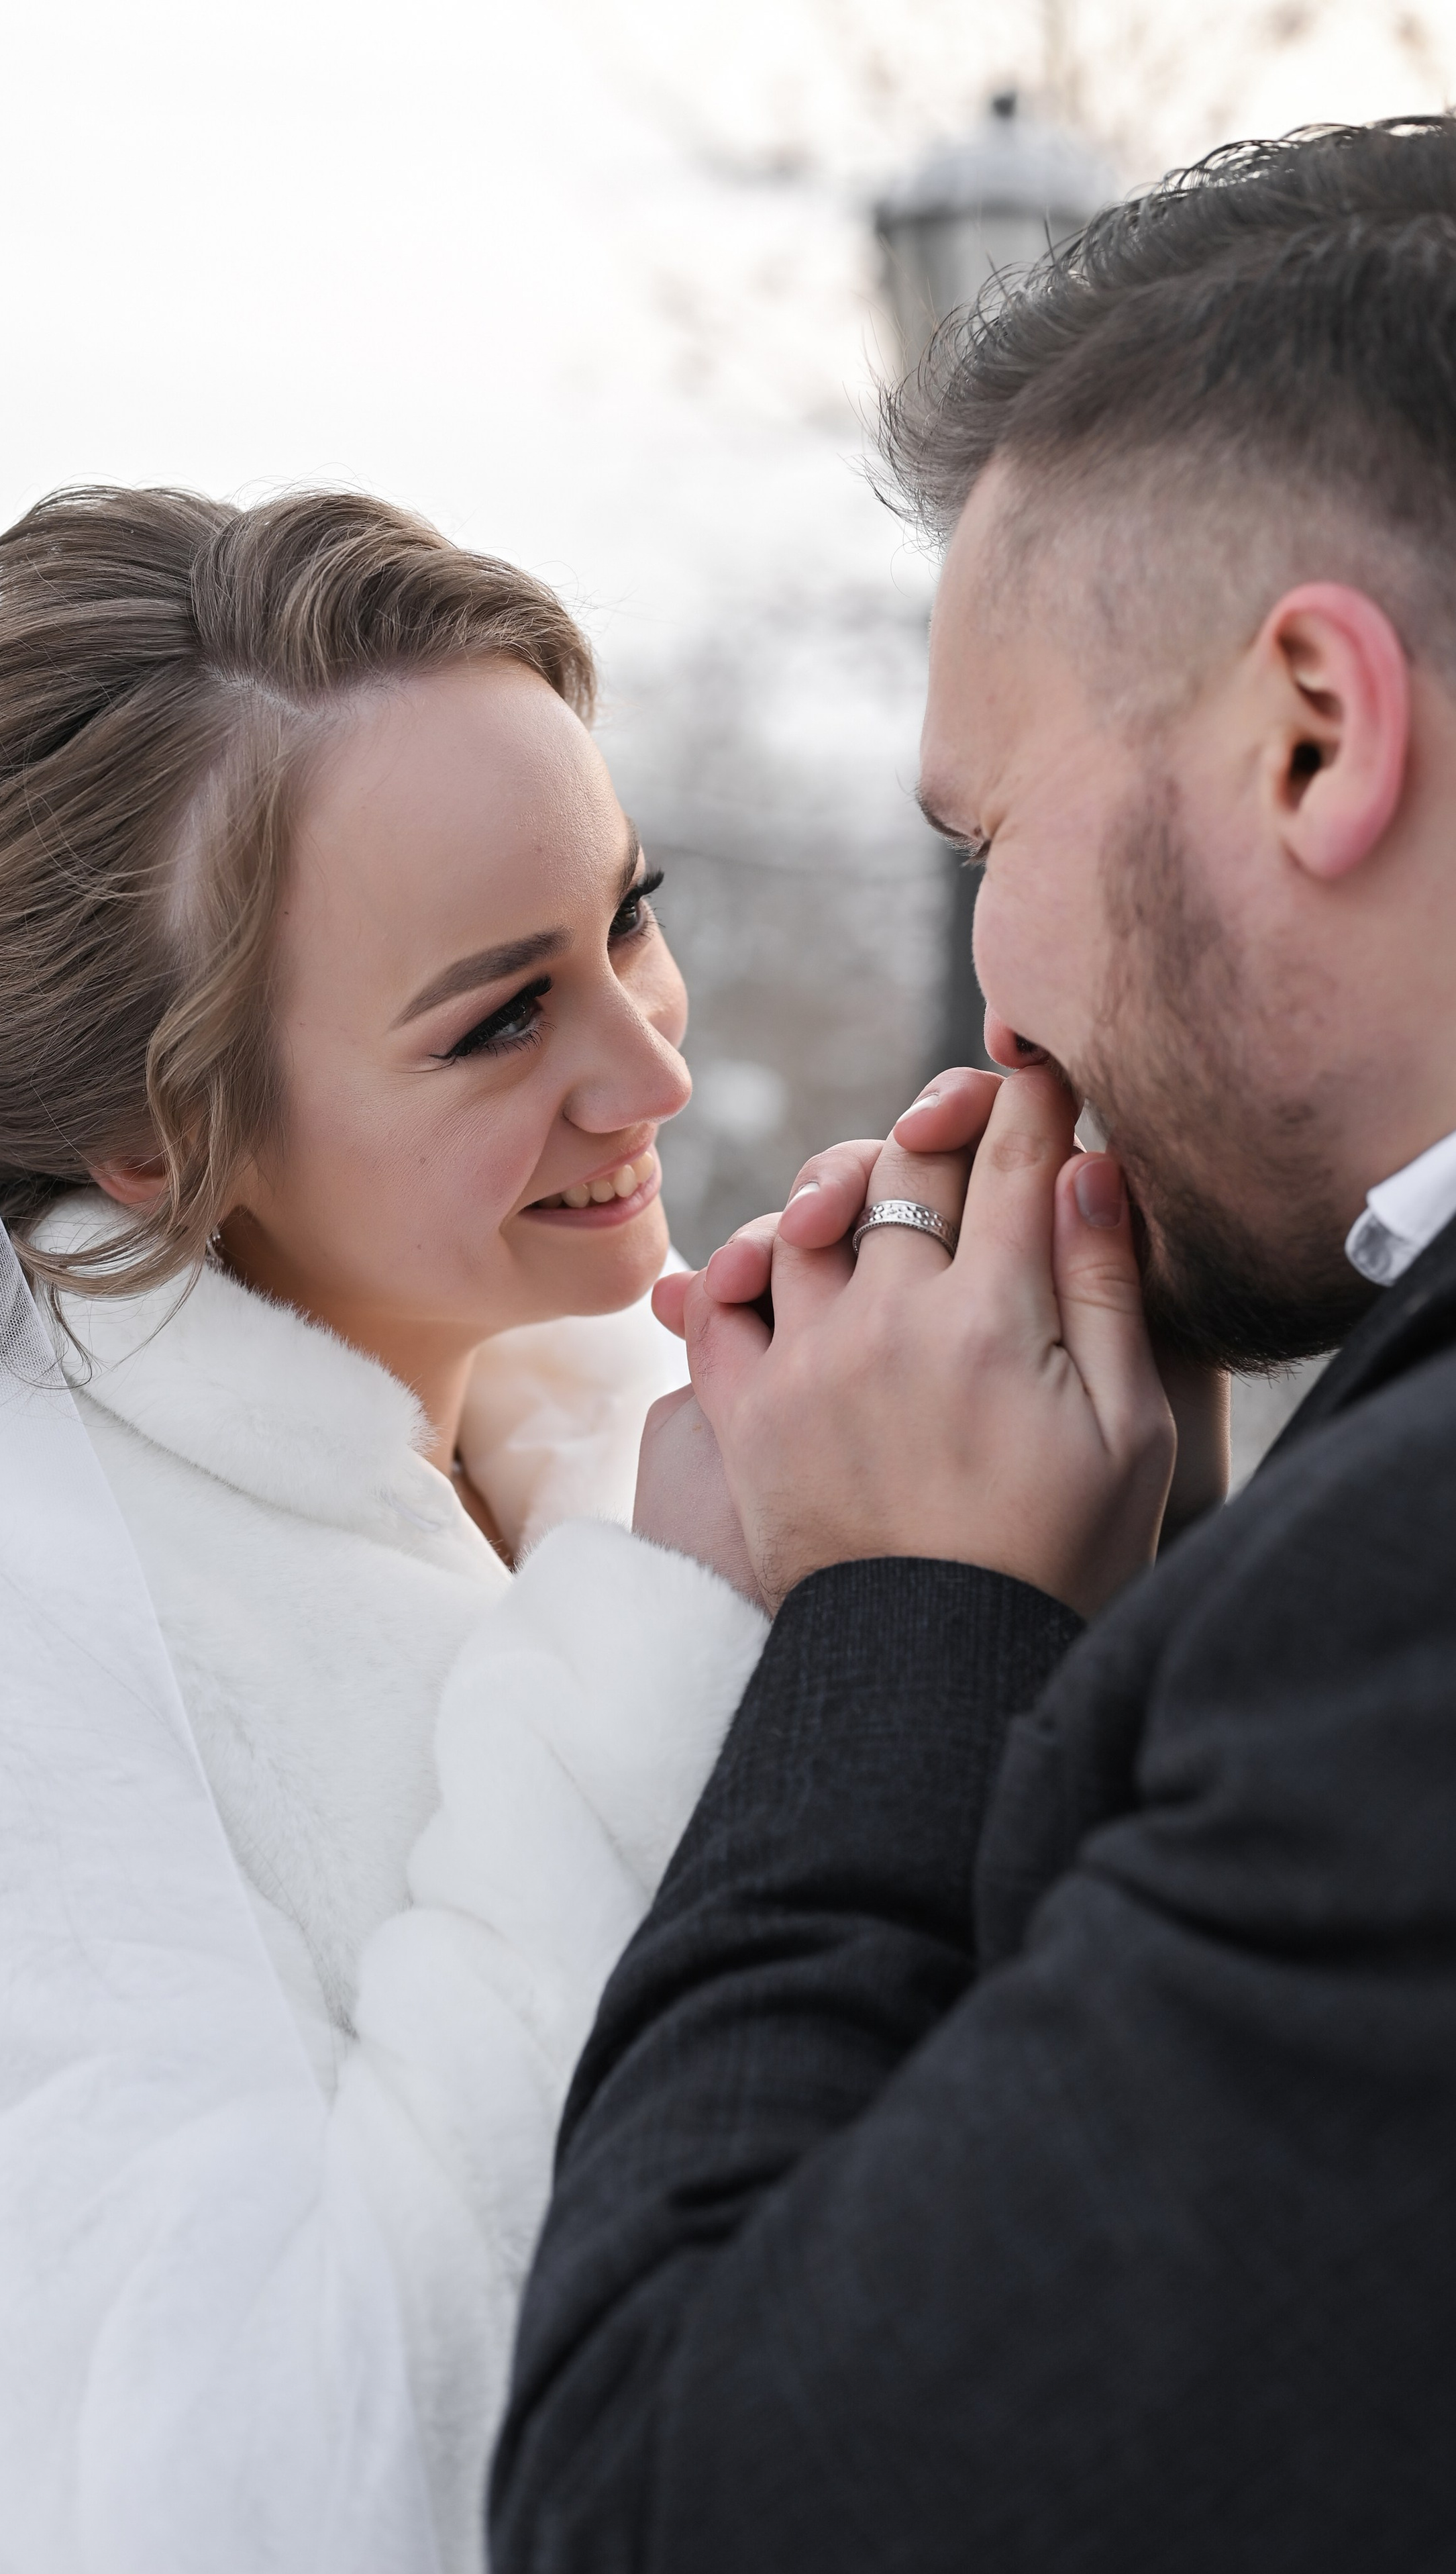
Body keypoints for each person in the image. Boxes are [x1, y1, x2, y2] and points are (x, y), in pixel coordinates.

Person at [492, 117, 1456, 2572]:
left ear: (1315, 738)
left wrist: (903, 1622)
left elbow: (675, 2511)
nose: (994, 990)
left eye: (985, 830)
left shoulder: (1402, 1604)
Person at [0, 489, 768, 2574]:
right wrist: (675, 1637)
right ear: (154, 1128)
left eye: (628, 917)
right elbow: (258, 2493)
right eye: (501, 1016)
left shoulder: (625, 1422)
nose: (651, 1062)